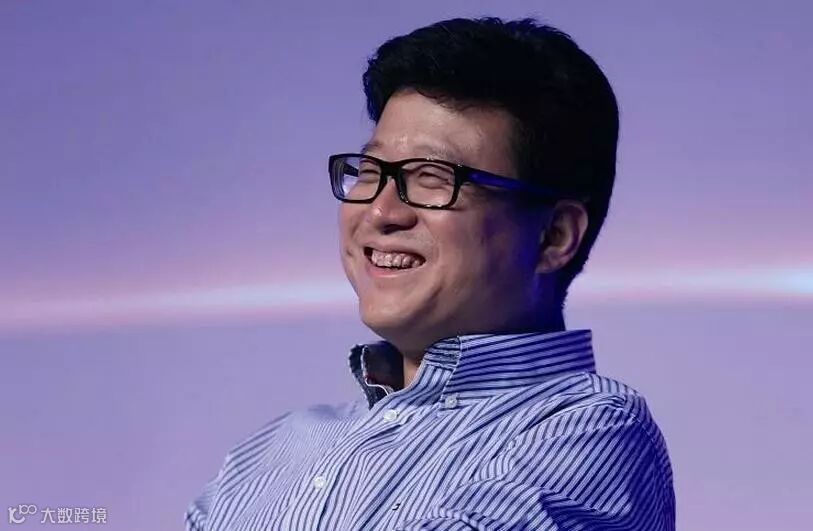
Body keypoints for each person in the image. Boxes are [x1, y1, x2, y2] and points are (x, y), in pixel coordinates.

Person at [185, 16, 675, 531]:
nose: (380, 211)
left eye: (433, 178)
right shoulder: (273, 449)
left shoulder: (589, 430)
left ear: (553, 236)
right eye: (369, 171)